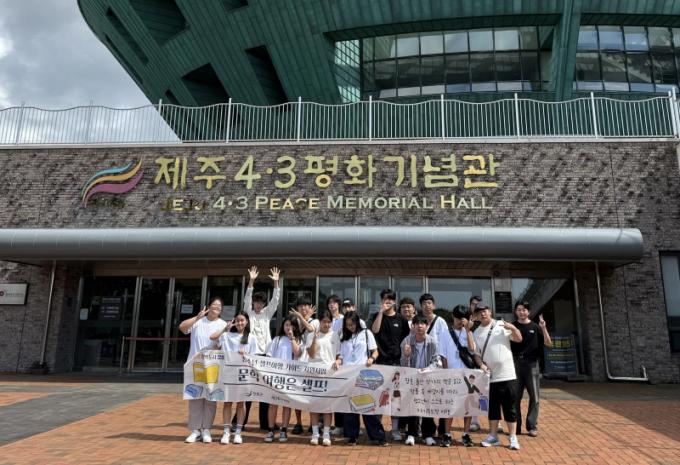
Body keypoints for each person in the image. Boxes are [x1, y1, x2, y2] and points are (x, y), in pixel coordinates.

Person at [332, 312, 387, 446]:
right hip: (348, 375)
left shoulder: (366, 333)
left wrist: (371, 359)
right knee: (350, 407)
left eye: (352, 324)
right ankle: (352, 436)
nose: (350, 327)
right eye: (347, 325)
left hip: (364, 374)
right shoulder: (343, 337)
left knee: (368, 406)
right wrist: (338, 361)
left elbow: (375, 351)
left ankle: (378, 436)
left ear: (357, 322)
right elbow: (341, 356)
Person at [472, 305, 523, 450]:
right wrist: (481, 364)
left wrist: (513, 328)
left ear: (490, 312)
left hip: (507, 375)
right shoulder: (476, 332)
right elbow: (476, 354)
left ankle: (512, 437)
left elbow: (519, 339)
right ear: (476, 316)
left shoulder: (501, 325)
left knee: (510, 407)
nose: (482, 314)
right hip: (490, 376)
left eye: (485, 311)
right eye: (479, 312)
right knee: (492, 408)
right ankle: (493, 436)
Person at [179, 297, 227, 443]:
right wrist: (197, 317)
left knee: (210, 398)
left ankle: (206, 429)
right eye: (214, 305)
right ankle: (195, 430)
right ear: (208, 306)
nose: (216, 307)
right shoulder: (199, 321)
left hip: (213, 365)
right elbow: (182, 328)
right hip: (195, 364)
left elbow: (223, 345)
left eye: (219, 306)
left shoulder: (223, 324)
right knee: (195, 397)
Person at [242, 265, 281, 431]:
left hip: (266, 356)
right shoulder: (248, 314)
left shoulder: (266, 314)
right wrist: (251, 280)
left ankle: (265, 423)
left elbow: (275, 301)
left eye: (261, 302)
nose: (258, 304)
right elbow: (246, 298)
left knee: (266, 391)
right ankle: (240, 422)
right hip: (251, 356)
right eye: (256, 302)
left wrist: (276, 283)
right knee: (248, 390)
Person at [210, 312, 258, 445]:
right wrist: (225, 328)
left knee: (241, 403)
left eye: (242, 320)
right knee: (227, 402)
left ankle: (238, 432)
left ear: (247, 322)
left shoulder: (251, 338)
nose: (240, 323)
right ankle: (226, 431)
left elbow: (255, 358)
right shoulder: (226, 336)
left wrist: (246, 354)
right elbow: (212, 338)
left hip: (243, 375)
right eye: (238, 320)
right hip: (228, 373)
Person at [370, 289, 410, 441]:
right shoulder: (377, 316)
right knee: (379, 397)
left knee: (395, 398)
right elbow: (374, 330)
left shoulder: (401, 319)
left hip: (396, 363)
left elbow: (407, 339)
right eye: (384, 299)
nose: (387, 302)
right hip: (380, 363)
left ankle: (394, 429)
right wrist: (381, 312)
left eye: (390, 299)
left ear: (394, 301)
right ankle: (377, 429)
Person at [511, 301, 552, 437]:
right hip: (515, 363)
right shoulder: (512, 326)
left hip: (532, 364)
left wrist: (544, 328)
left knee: (534, 396)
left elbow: (548, 344)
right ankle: (515, 427)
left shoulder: (535, 327)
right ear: (515, 311)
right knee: (515, 397)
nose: (521, 312)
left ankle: (532, 426)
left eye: (524, 310)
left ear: (528, 312)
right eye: (519, 310)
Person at [399, 314, 441, 446]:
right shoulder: (407, 341)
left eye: (422, 324)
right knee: (412, 406)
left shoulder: (433, 342)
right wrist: (406, 356)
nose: (420, 326)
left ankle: (427, 435)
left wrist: (428, 369)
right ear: (413, 326)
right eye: (417, 324)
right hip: (412, 379)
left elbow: (436, 361)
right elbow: (402, 364)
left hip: (427, 378)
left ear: (427, 326)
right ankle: (411, 434)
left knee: (428, 406)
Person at [419, 293, 455, 443]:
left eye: (429, 303)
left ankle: (442, 431)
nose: (427, 306)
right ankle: (428, 432)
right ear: (420, 306)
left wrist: (446, 365)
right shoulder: (419, 321)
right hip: (424, 367)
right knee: (426, 399)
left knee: (442, 399)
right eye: (424, 303)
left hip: (439, 365)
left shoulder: (440, 322)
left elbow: (446, 342)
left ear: (433, 305)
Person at [440, 304, 476, 447]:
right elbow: (443, 355)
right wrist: (446, 373)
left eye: (464, 318)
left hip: (467, 374)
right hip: (452, 374)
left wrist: (468, 330)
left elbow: (472, 349)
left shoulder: (468, 332)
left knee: (468, 406)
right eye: (458, 318)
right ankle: (447, 434)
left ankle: (466, 434)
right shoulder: (445, 333)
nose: (461, 321)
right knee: (450, 406)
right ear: (453, 317)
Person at [264, 315, 303, 443]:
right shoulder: (277, 339)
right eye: (286, 325)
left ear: (295, 327)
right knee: (273, 404)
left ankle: (284, 430)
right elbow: (269, 357)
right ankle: (271, 429)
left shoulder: (298, 340)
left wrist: (292, 338)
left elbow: (298, 353)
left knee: (287, 404)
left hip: (290, 377)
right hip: (276, 377)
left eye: (291, 325)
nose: (288, 328)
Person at [306, 309, 340, 446]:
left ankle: (326, 434)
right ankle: (315, 434)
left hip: (330, 375)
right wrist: (315, 337)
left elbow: (338, 355)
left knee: (328, 405)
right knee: (314, 404)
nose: (326, 324)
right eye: (324, 322)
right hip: (314, 374)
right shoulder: (311, 335)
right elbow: (311, 354)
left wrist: (338, 361)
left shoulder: (335, 335)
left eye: (329, 322)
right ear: (319, 322)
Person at [289, 298, 319, 435]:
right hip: (298, 360)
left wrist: (303, 318)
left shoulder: (315, 321)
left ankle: (313, 423)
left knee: (312, 393)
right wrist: (301, 319)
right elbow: (296, 333)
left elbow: (311, 329)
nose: (303, 308)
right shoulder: (295, 322)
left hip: (311, 361)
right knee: (297, 394)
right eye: (300, 306)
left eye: (306, 305)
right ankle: (298, 423)